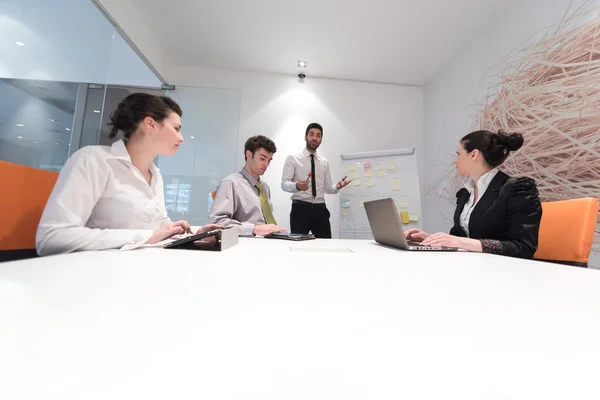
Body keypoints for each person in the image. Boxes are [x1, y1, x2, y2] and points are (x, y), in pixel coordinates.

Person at [36, 93, 220, 256]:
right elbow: (52, 238)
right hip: (96, 275)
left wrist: (194, 235)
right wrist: (146, 237)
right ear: (151, 125)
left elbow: (158, 226)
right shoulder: (93, 161)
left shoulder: (156, 175)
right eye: (177, 128)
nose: (182, 138)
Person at [405, 130, 542, 259]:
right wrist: (430, 238)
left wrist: (461, 242)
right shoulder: (465, 194)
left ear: (473, 154)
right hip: (470, 266)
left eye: (458, 154)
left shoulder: (517, 189)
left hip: (501, 272)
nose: (455, 160)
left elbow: (523, 248)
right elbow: (459, 237)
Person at [281, 123, 351, 238]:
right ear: (305, 137)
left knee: (326, 247)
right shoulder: (293, 158)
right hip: (300, 210)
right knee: (299, 248)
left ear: (321, 140)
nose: (315, 138)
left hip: (320, 210)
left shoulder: (324, 163)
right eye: (311, 134)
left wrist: (337, 187)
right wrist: (297, 186)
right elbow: (284, 184)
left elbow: (328, 189)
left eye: (318, 135)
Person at [207, 135, 287, 236]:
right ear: (249, 155)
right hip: (245, 245)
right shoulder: (230, 183)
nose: (266, 164)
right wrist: (254, 229)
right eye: (262, 159)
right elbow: (216, 223)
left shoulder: (264, 188)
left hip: (268, 242)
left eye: (269, 160)